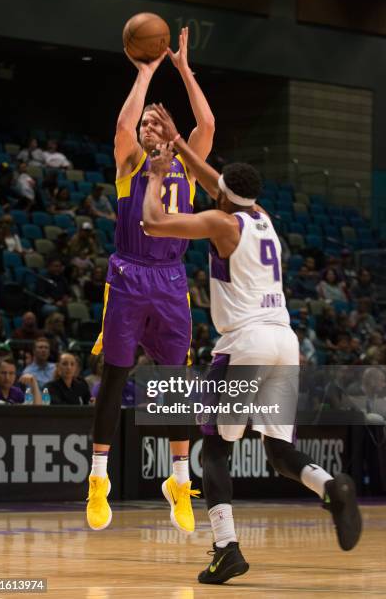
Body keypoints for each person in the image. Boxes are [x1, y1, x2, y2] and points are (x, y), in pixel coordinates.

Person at [142, 109, 362, 583]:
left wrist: (157, 176)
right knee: (280, 453)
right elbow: (217, 182)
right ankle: (332, 487)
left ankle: (226, 549)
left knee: (215, 450)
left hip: (247, 345)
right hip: (286, 342)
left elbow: (154, 224)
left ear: (223, 197)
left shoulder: (223, 225)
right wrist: (179, 142)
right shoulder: (261, 216)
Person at [87, 27, 215, 534]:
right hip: (128, 274)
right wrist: (144, 75)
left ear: (167, 130)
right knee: (116, 377)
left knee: (175, 385)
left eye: (152, 123)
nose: (144, 127)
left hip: (170, 279)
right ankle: (98, 480)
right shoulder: (130, 163)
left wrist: (183, 69)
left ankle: (179, 482)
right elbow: (121, 124)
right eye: (142, 123)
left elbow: (206, 121)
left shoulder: (185, 160)